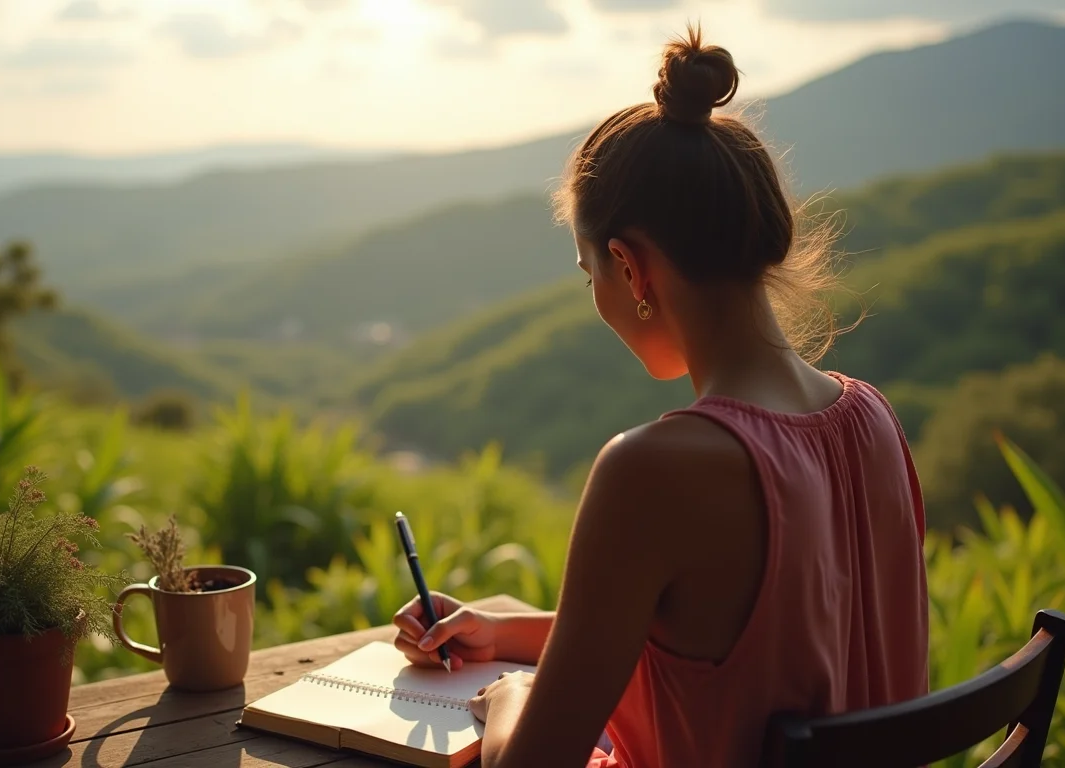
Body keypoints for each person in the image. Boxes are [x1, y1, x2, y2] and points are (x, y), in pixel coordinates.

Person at [391, 23, 929, 768]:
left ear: (632, 270)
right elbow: (744, 638)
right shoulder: (870, 417)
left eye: (591, 276)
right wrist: (505, 634)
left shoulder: (655, 469)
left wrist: (511, 695)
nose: (598, 296)